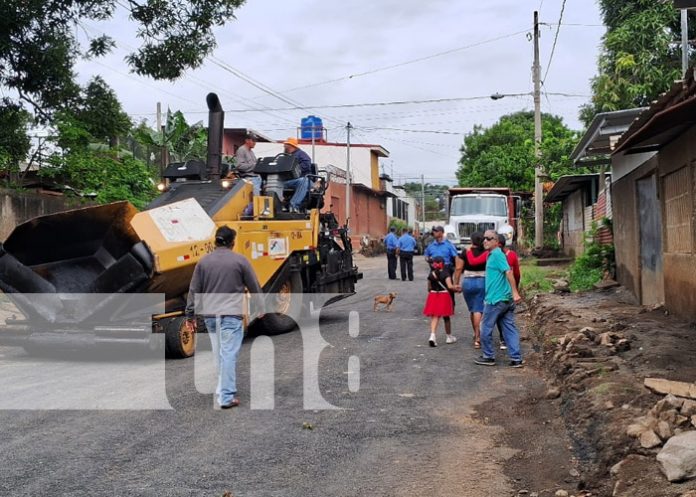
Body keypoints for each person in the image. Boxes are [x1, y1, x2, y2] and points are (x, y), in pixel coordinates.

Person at [185, 226, 264, 408]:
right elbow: (254, 285)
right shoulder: (240, 261)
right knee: (228, 353)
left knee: (219, 353)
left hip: (211, 316)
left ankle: (222, 389)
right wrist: (260, 307)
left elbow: (194, 290)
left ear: (216, 241)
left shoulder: (203, 262)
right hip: (231, 315)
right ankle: (226, 396)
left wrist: (190, 316)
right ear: (233, 242)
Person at [474, 230, 524, 368]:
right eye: (484, 238)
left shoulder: (497, 254)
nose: (485, 241)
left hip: (496, 300)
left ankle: (488, 356)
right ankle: (516, 359)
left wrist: (515, 292)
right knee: (509, 328)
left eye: (489, 238)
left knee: (485, 327)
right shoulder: (491, 255)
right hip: (503, 299)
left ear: (497, 242)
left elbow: (508, 271)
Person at [453, 231, 488, 349]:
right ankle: (478, 337)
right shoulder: (486, 252)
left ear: (471, 241)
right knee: (479, 309)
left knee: (473, 309)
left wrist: (456, 284)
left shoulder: (465, 252)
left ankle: (476, 334)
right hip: (482, 281)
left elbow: (458, 268)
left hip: (467, 282)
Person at [423, 256, 459, 347]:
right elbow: (450, 286)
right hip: (444, 295)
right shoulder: (446, 273)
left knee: (435, 316)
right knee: (446, 317)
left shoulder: (431, 274)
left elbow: (429, 288)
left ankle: (432, 335)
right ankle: (448, 336)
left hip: (433, 295)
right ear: (443, 263)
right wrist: (457, 288)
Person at [496, 233, 521, 350]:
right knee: (508, 319)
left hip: (499, 291)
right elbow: (517, 274)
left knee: (496, 317)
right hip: (509, 291)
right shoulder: (512, 255)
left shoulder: (494, 256)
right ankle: (511, 344)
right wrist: (515, 289)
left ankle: (502, 338)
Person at [283, 137, 313, 213]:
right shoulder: (284, 157)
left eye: (286, 145)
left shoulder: (301, 154)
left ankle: (293, 206)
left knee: (304, 181)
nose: (284, 146)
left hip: (301, 180)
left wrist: (295, 170)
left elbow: (306, 165)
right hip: (288, 181)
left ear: (291, 145)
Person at [235, 133, 262, 216]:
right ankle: (252, 214)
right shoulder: (241, 150)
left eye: (255, 141)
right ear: (247, 140)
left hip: (257, 177)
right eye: (253, 140)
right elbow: (240, 166)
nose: (255, 143)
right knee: (256, 197)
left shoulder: (251, 152)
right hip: (249, 178)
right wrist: (255, 166)